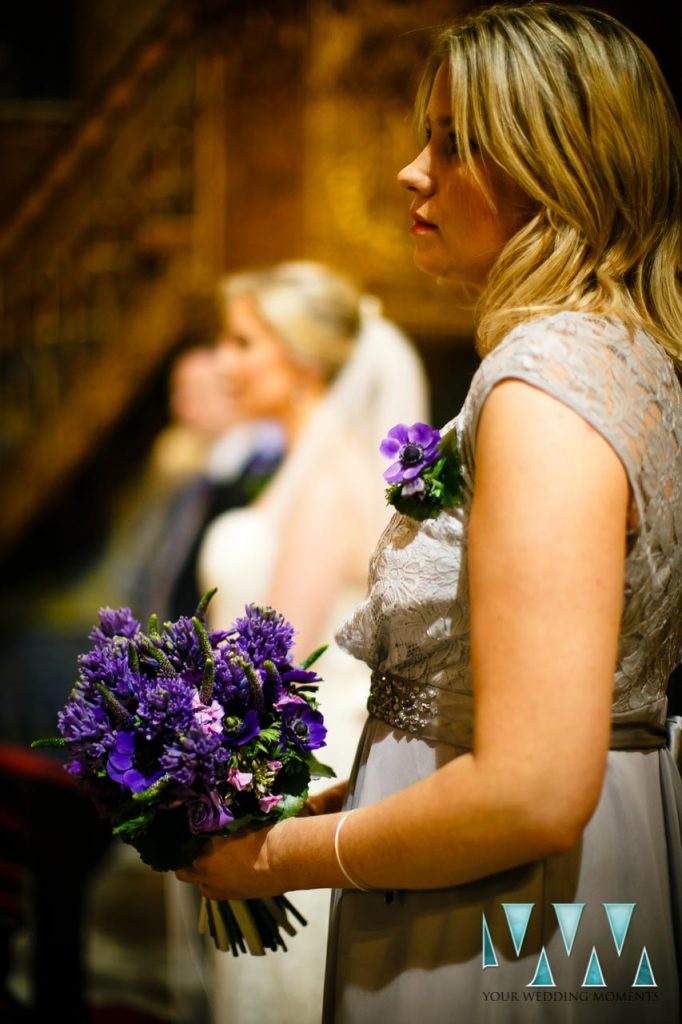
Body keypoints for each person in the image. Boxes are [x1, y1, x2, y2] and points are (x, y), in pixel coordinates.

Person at [175, 5, 682, 1022]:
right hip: (563, 878)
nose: (412, 170)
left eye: (454, 143)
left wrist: (275, 857)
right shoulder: (622, 356)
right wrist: (354, 797)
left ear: (556, 169)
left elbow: (532, 789)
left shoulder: (545, 383)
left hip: (503, 906)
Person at [170, 259, 430, 1024]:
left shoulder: (325, 485)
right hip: (268, 761)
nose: (225, 360)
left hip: (295, 775)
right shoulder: (296, 467)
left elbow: (274, 663)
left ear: (305, 359)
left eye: (244, 342)